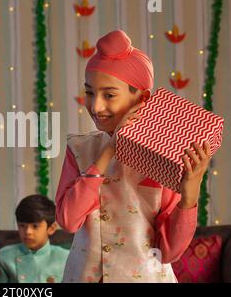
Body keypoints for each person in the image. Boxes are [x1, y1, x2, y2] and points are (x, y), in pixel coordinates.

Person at [56, 30, 211, 283]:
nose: (95, 106)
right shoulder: (79, 149)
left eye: (109, 95)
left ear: (142, 98)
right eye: (90, 93)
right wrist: (108, 152)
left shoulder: (168, 153)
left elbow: (169, 251)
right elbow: (68, 221)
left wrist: (190, 195)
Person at [0, 194, 69, 283]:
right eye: (22, 225)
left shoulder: (65, 257)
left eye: (35, 226)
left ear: (51, 228)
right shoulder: (5, 255)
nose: (28, 232)